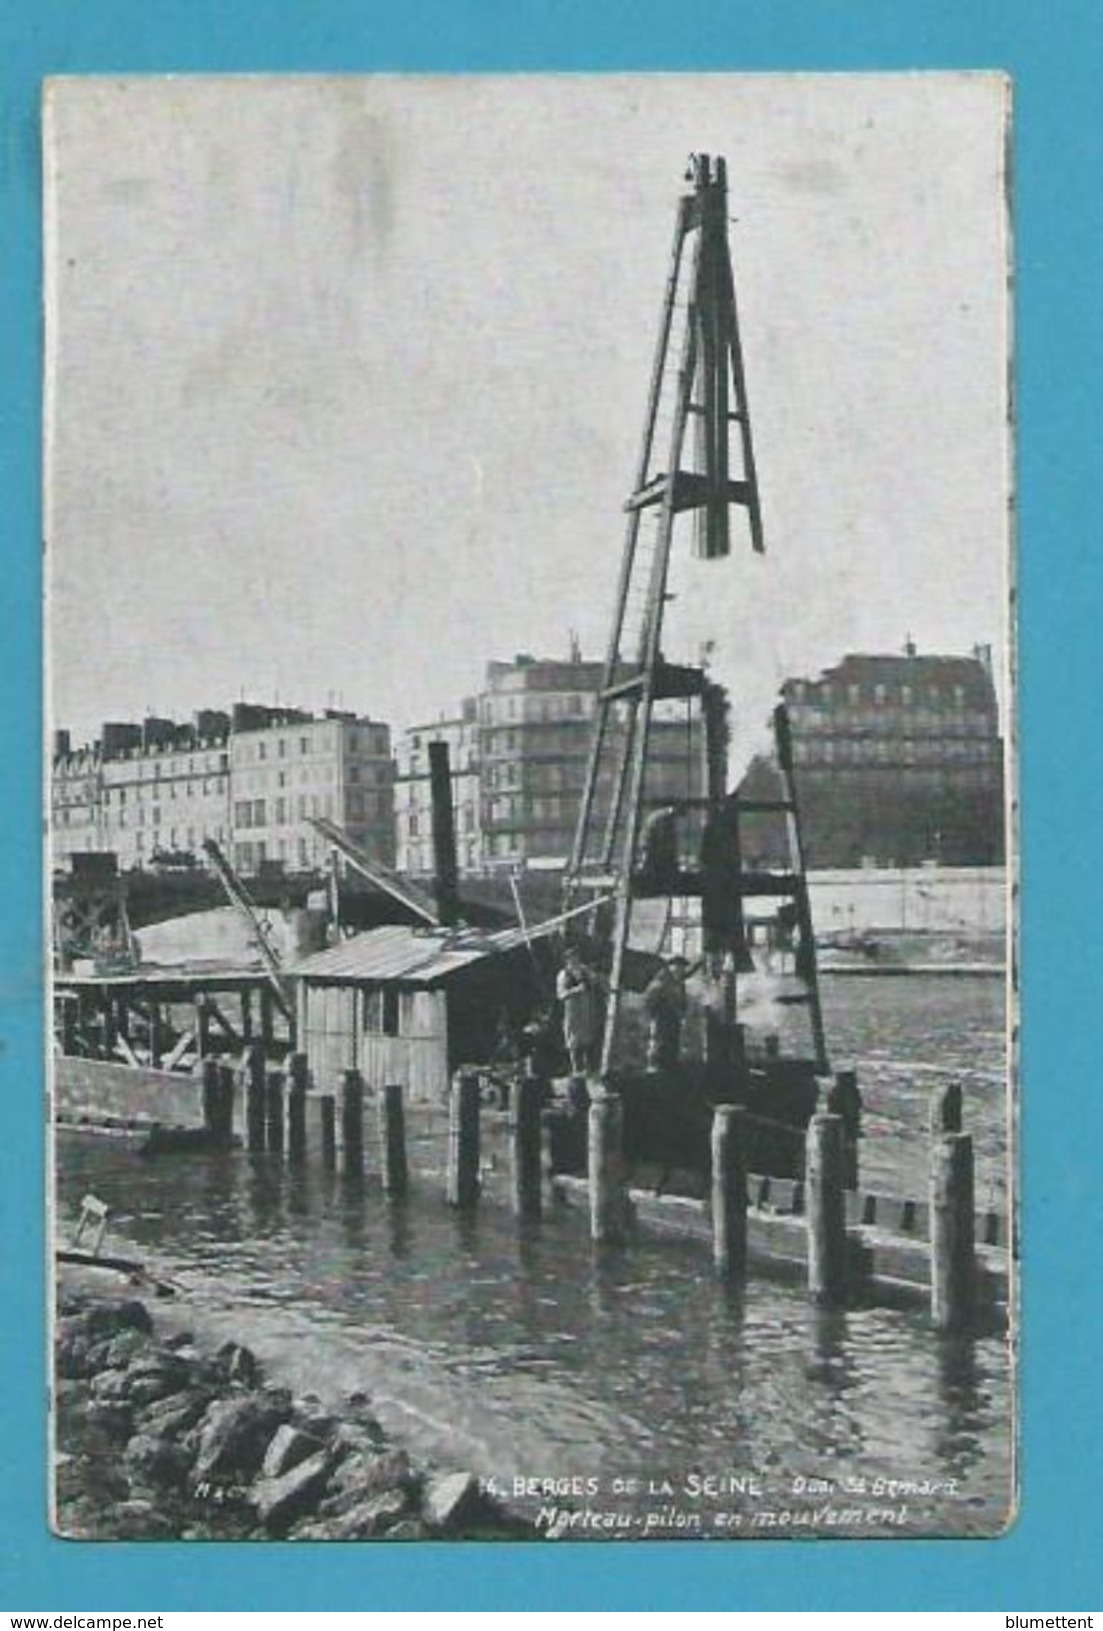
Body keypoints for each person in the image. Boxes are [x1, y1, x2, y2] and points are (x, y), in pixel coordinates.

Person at [643, 955, 690, 1072]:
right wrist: (655, 1012)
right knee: (659, 1042)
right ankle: (655, 1065)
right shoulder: (661, 979)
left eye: (682, 967)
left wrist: (681, 1012)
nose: (679, 970)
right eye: (677, 966)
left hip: (674, 1018)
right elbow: (649, 998)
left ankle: (670, 1065)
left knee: (673, 1042)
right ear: (671, 967)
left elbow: (683, 1002)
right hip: (661, 1017)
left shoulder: (680, 983)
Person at [556, 949, 599, 1075]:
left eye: (577, 957)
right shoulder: (564, 974)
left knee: (588, 1037)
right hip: (572, 1009)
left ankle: (590, 1069)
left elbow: (595, 981)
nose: (575, 960)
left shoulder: (584, 971)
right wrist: (575, 990)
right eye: (572, 958)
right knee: (574, 1039)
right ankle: (576, 1069)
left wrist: (589, 972)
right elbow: (560, 994)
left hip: (585, 1007)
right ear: (567, 960)